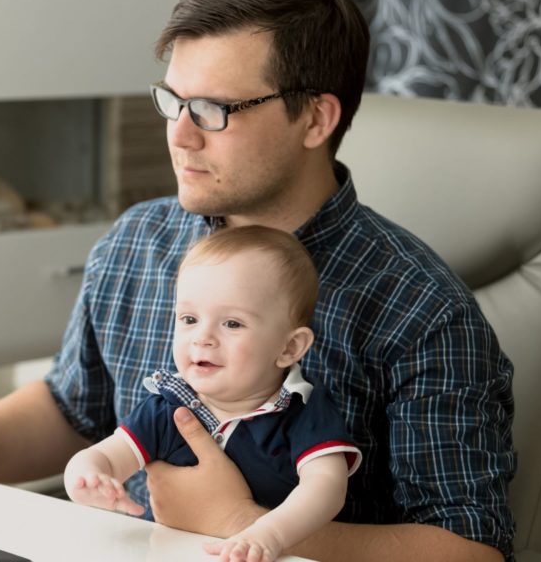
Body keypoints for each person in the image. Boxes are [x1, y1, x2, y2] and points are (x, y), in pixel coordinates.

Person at [0, 0, 517, 560]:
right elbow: (72, 409)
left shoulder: (421, 309)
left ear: (316, 119)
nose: (180, 136)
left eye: (214, 111)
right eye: (173, 100)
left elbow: (470, 547)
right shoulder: (139, 240)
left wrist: (238, 523)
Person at [64, 225, 362, 562]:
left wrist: (268, 532)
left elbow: (325, 488)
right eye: (189, 318)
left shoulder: (303, 409)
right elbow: (105, 456)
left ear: (289, 347)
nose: (202, 337)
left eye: (232, 323)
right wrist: (87, 477)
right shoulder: (167, 407)